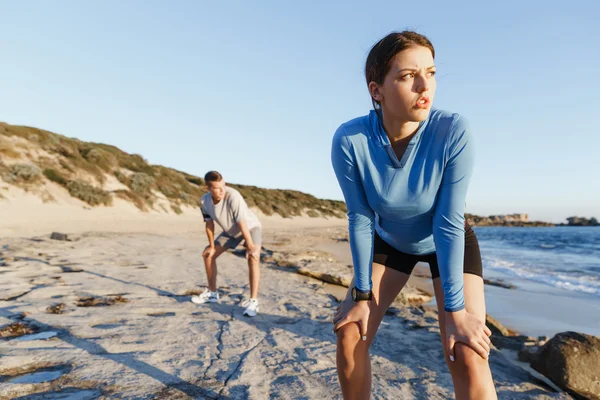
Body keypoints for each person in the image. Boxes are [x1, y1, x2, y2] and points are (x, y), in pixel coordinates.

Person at [331, 31, 497, 399]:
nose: (425, 85)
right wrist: (361, 294)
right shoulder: (350, 140)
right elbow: (359, 218)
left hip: (447, 240)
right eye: (408, 76)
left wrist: (454, 314)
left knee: (467, 352)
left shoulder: (453, 130)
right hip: (390, 241)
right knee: (349, 333)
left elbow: (449, 221)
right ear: (378, 90)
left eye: (431, 72)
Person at [191, 171, 262, 317]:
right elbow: (209, 224)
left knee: (253, 257)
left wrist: (250, 245)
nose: (223, 190)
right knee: (208, 255)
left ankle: (253, 302)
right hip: (231, 232)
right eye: (218, 188)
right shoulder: (205, 201)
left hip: (250, 227)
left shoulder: (233, 195)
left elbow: (242, 222)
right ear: (208, 189)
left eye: (224, 185)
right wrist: (211, 245)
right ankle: (212, 293)